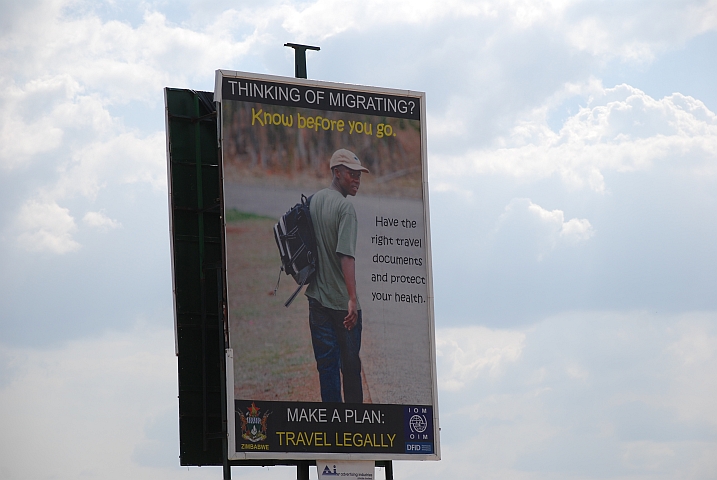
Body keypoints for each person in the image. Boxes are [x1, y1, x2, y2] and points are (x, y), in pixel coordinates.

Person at [305, 148, 369, 403]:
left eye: (359, 175)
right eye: (352, 174)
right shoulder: (345, 209)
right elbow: (346, 256)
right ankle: (352, 424)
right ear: (336, 173)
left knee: (327, 366)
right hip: (342, 305)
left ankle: (332, 427)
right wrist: (352, 299)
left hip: (317, 300)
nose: (357, 180)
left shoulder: (314, 200)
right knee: (350, 367)